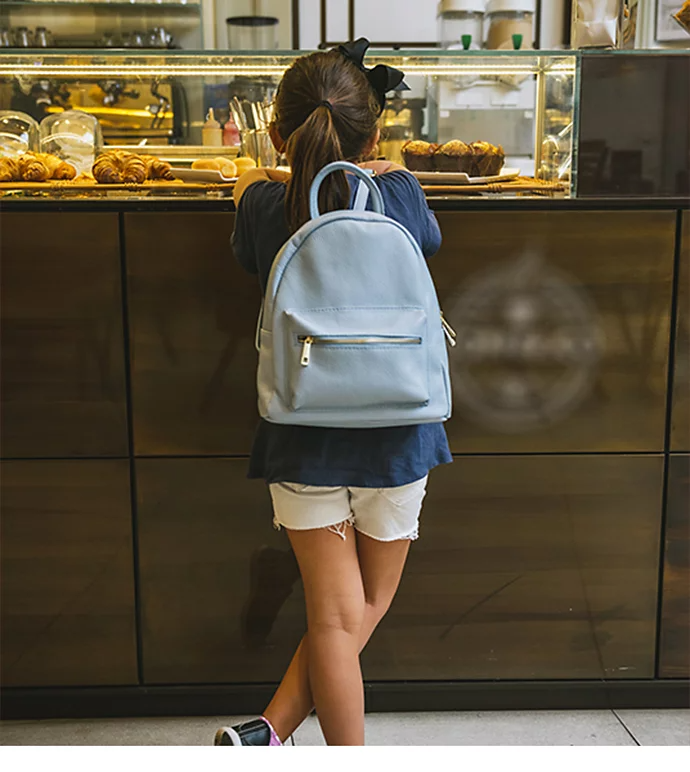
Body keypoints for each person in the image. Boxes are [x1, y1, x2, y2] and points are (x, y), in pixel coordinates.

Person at [214, 39, 452, 747]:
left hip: (302, 431)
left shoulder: (263, 200)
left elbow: (248, 204)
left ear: (280, 134)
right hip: (400, 426)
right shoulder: (402, 193)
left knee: (334, 615)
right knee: (362, 607)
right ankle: (282, 733)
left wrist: (266, 166)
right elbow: (426, 237)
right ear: (375, 135)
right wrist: (383, 165)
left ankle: (273, 730)